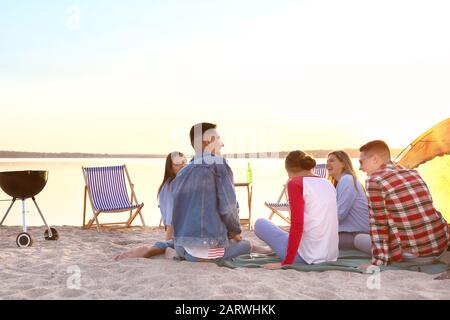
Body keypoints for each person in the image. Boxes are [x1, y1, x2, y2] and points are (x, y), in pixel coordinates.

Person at [171, 122, 270, 262]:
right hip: (203, 251)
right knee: (246, 245)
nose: (222, 144)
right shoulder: (218, 165)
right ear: (207, 142)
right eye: (218, 139)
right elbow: (228, 209)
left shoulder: (182, 173)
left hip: (181, 247)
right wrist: (235, 232)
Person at [358, 140, 449, 268]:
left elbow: (378, 224)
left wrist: (378, 263)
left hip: (416, 256)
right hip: (441, 245)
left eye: (361, 162)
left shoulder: (374, 180)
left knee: (358, 239)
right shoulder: (412, 172)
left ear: (375, 159)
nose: (360, 168)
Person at [254, 150, 339, 269]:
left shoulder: (295, 183)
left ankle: (272, 249)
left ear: (288, 170)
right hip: (330, 255)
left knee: (260, 223)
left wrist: (287, 262)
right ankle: (269, 249)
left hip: (305, 257)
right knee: (286, 235)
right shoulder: (328, 183)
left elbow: (297, 225)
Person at [114, 151, 186, 261]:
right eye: (177, 164)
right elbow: (170, 219)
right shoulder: (170, 187)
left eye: (184, 162)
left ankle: (156, 248)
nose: (182, 166)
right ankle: (147, 250)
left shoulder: (180, 184)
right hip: (176, 234)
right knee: (164, 248)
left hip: (183, 232)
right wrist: (167, 242)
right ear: (170, 168)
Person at [327, 151, 371, 254]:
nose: (327, 164)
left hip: (358, 232)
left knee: (322, 239)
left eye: (332, 160)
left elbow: (339, 215)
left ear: (343, 164)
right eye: (327, 161)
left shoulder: (347, 180)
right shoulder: (342, 182)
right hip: (351, 231)